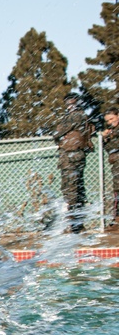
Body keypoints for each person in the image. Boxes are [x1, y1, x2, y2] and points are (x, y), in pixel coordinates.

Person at [53, 93, 94, 233]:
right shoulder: (77, 116)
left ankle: (75, 225)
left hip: (72, 156)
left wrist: (58, 134)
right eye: (68, 102)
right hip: (70, 156)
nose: (69, 105)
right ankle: (75, 224)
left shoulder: (76, 116)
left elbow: (59, 131)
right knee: (72, 190)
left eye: (72, 102)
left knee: (72, 191)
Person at [101, 107, 119, 231]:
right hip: (116, 165)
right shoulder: (112, 131)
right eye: (107, 120)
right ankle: (116, 220)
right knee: (117, 191)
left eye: (111, 119)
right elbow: (109, 150)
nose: (110, 122)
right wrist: (105, 139)